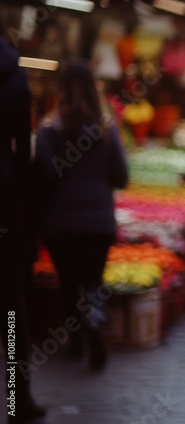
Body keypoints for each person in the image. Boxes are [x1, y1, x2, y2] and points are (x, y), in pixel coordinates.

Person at [33, 61, 129, 372]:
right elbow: (120, 176)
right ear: (93, 88)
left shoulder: (48, 129)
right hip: (98, 222)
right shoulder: (105, 128)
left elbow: (42, 173)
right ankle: (94, 327)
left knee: (68, 282)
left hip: (60, 223)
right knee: (92, 281)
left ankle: (75, 339)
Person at [0, 34, 48, 424]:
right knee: (12, 308)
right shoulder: (15, 78)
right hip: (5, 203)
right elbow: (24, 150)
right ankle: (18, 401)